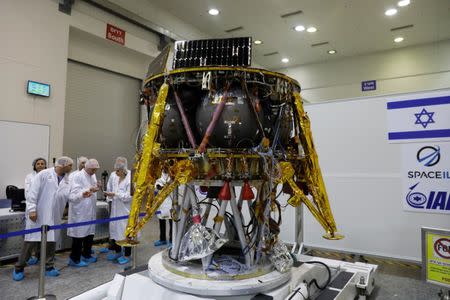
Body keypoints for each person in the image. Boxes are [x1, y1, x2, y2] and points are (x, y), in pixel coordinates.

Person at [13, 156, 73, 281]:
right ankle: (19, 267)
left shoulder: (67, 180)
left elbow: (69, 196)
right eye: (70, 165)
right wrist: (32, 210)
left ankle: (49, 267)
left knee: (51, 242)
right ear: (62, 165)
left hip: (54, 216)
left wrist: (82, 195)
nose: (71, 168)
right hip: (38, 215)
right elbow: (32, 193)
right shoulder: (44, 174)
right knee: (30, 242)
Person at [67, 158, 100, 267]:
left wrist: (95, 188)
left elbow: (92, 187)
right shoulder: (77, 176)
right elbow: (72, 196)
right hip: (80, 211)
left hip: (90, 209)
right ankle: (74, 259)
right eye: (93, 170)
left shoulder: (92, 175)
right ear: (87, 167)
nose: (94, 172)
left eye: (95, 170)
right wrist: (84, 192)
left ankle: (86, 254)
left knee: (89, 233)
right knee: (79, 235)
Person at [104, 157, 132, 264]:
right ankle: (118, 252)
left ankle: (127, 255)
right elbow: (111, 189)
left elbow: (129, 196)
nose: (115, 173)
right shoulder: (116, 177)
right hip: (115, 209)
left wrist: (115, 194)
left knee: (126, 232)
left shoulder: (130, 179)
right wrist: (110, 195)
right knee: (115, 230)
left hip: (125, 211)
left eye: (118, 171)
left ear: (123, 170)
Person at [24, 157, 47, 266]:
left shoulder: (49, 176)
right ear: (34, 165)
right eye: (38, 163)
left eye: (42, 163)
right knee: (31, 237)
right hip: (33, 208)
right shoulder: (29, 177)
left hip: (44, 209)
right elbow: (28, 194)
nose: (40, 165)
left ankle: (39, 256)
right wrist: (33, 209)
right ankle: (25, 260)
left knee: (42, 235)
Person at [153, 169, 173, 247]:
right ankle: (162, 239)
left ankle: (172, 240)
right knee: (161, 221)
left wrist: (166, 187)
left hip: (170, 201)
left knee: (172, 222)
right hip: (161, 202)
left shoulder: (173, 174)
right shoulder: (158, 174)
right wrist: (158, 187)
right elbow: (156, 186)